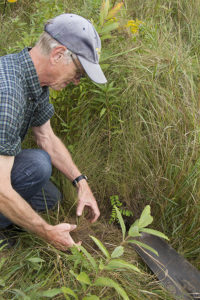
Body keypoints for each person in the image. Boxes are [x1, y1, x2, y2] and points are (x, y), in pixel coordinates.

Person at [0, 13, 107, 250]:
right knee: (38, 165)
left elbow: (46, 137)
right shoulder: (8, 94)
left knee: (50, 196)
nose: (78, 81)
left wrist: (81, 183)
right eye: (79, 72)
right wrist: (46, 232)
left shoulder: (34, 80)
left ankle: (14, 219)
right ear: (58, 54)